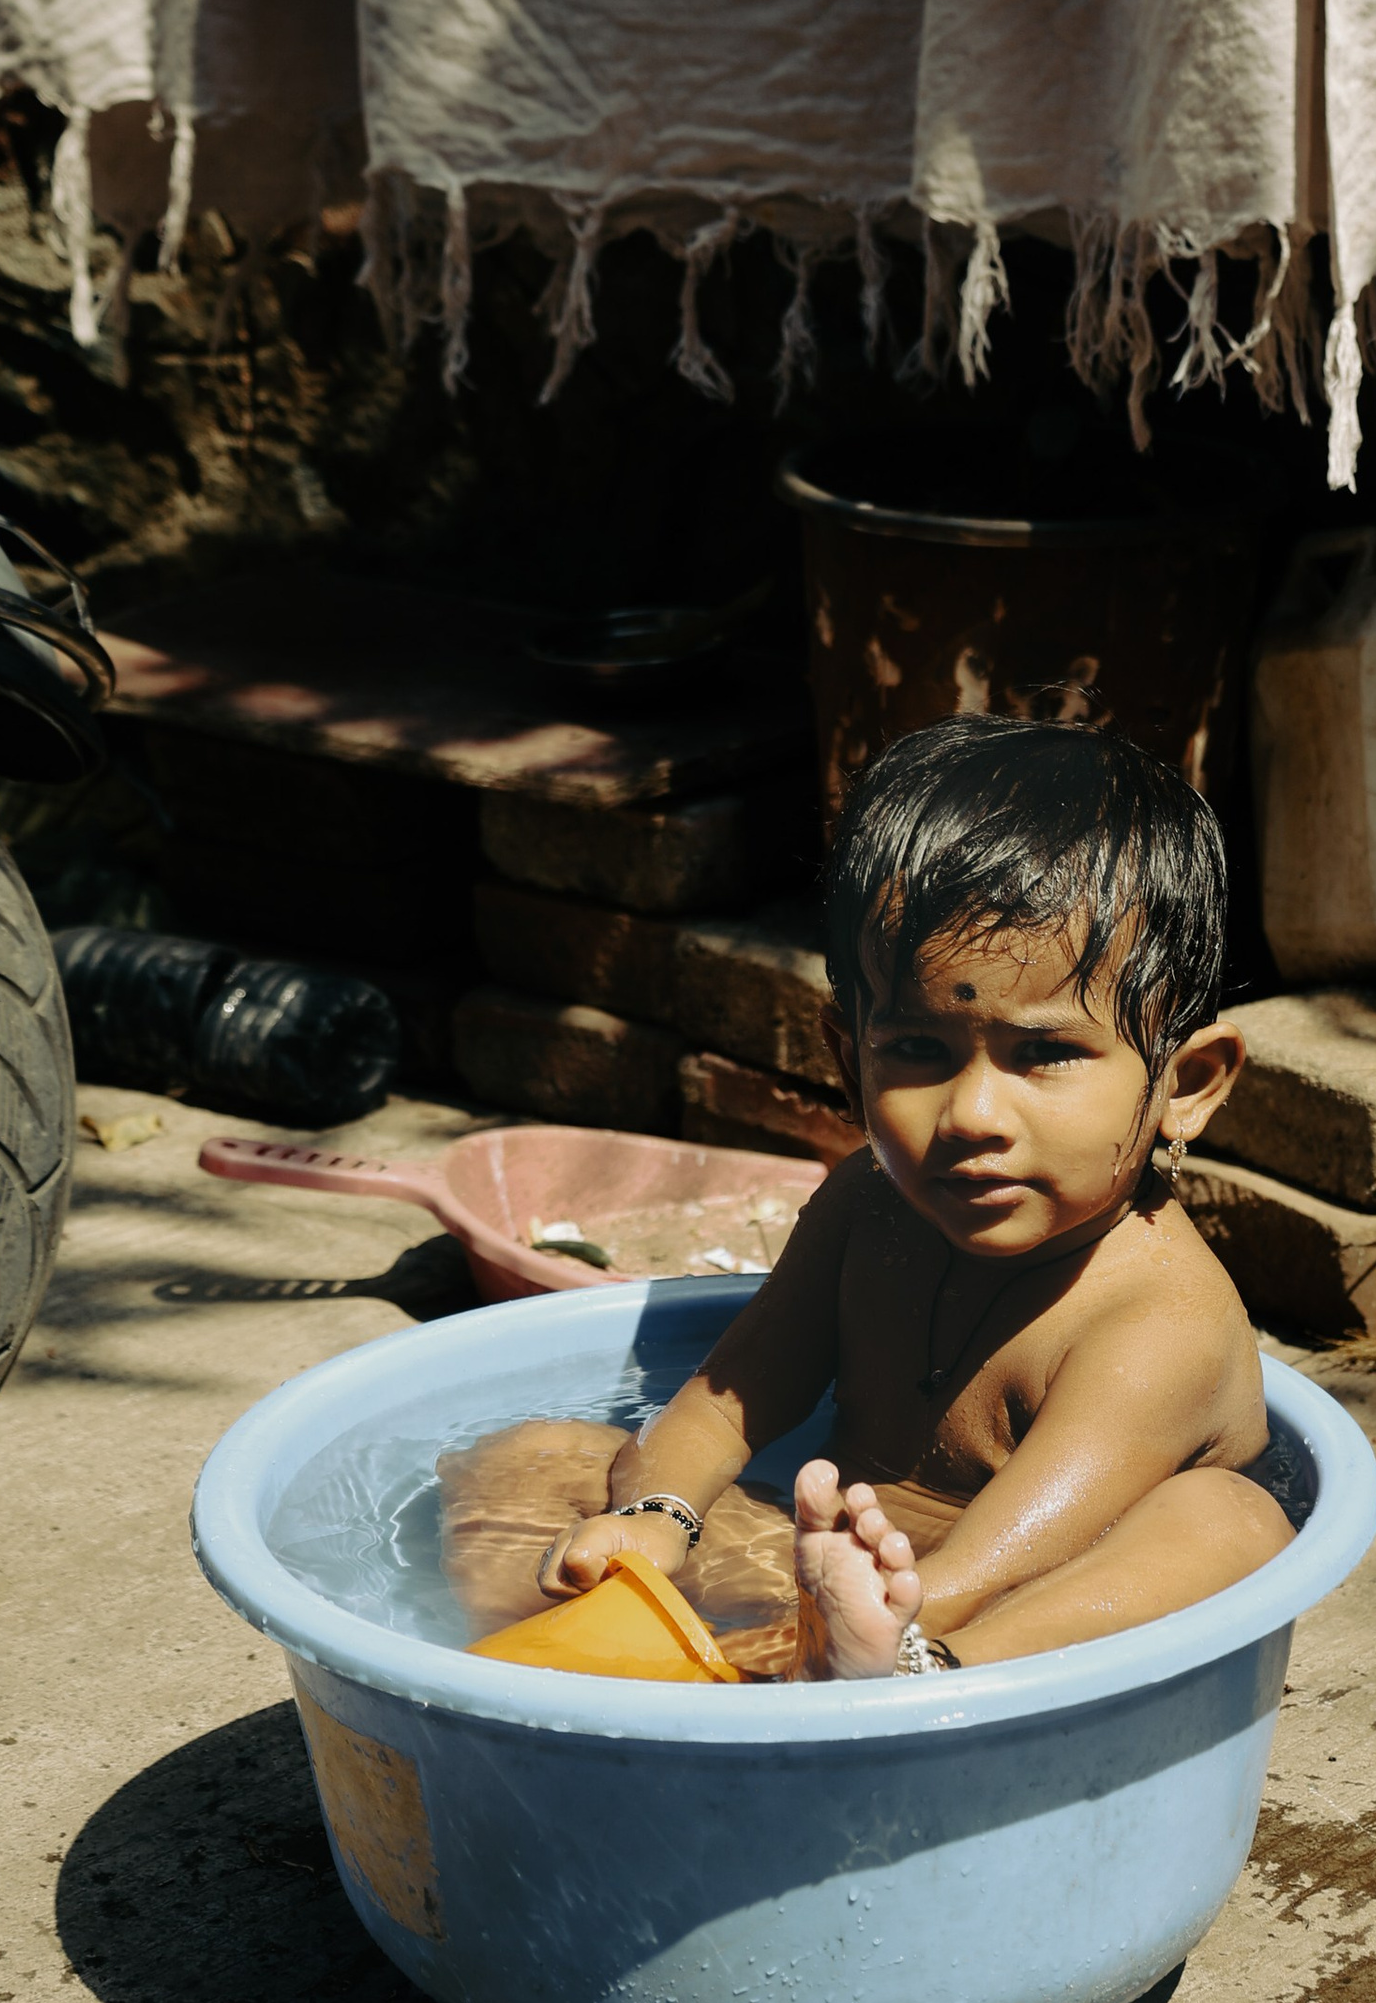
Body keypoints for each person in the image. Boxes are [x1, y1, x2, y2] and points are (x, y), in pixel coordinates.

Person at [437, 716, 1301, 1680]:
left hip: (1007, 1619)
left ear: (1185, 1087)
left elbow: (1010, 1554)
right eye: (918, 1051)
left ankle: (902, 1687)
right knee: (534, 1453)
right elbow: (728, 1406)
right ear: (847, 1062)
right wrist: (654, 1521)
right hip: (818, 1575)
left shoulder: (1155, 1318)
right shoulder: (868, 1207)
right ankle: (536, 1678)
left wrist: (895, 1628)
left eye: (1045, 1054)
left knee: (1226, 1521)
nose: (972, 1113)